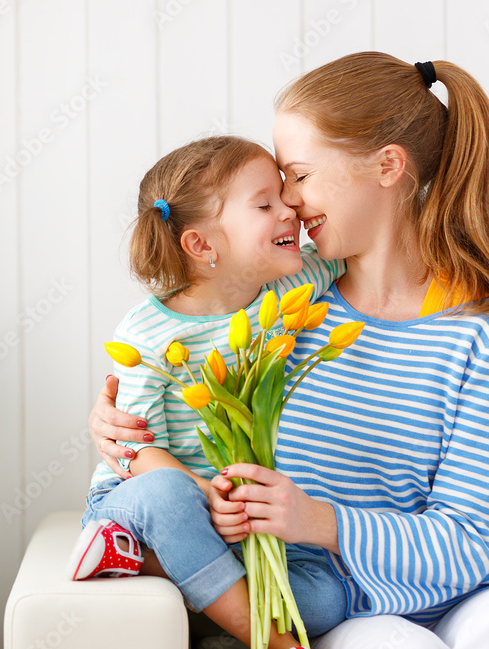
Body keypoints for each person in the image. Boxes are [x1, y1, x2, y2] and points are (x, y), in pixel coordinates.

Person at [88, 52, 489, 649]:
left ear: (388, 166)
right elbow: (176, 410)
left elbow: (471, 539)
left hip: (472, 591)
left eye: (298, 175)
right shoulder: (273, 312)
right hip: (343, 604)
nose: (289, 202)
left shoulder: (486, 335)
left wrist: (318, 520)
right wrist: (118, 434)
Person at [67, 134, 347, 648]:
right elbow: (134, 448)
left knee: (327, 597)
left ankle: (193, 583)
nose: (290, 209)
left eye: (284, 194)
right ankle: (266, 637)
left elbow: (358, 245)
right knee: (166, 494)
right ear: (201, 245)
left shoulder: (286, 291)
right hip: (148, 505)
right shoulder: (147, 333)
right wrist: (204, 494)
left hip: (233, 522)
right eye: (265, 204)